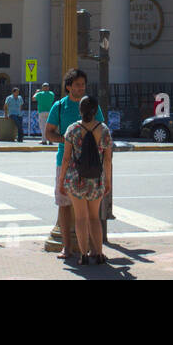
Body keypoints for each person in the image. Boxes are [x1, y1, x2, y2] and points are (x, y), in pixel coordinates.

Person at [44, 69, 105, 261]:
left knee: (89, 210)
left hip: (90, 165)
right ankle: (67, 246)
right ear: (68, 87)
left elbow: (101, 131)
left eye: (83, 84)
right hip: (65, 162)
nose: (81, 88)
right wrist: (67, 141)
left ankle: (93, 249)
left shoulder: (92, 106)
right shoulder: (59, 107)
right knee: (64, 204)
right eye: (77, 84)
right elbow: (48, 133)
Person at [57, 95, 113, 266]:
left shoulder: (72, 129)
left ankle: (83, 255)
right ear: (96, 111)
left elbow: (66, 158)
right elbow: (108, 160)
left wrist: (61, 181)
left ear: (80, 111)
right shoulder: (103, 130)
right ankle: (99, 253)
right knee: (94, 218)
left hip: (76, 179)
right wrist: (108, 181)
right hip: (96, 180)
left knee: (80, 218)